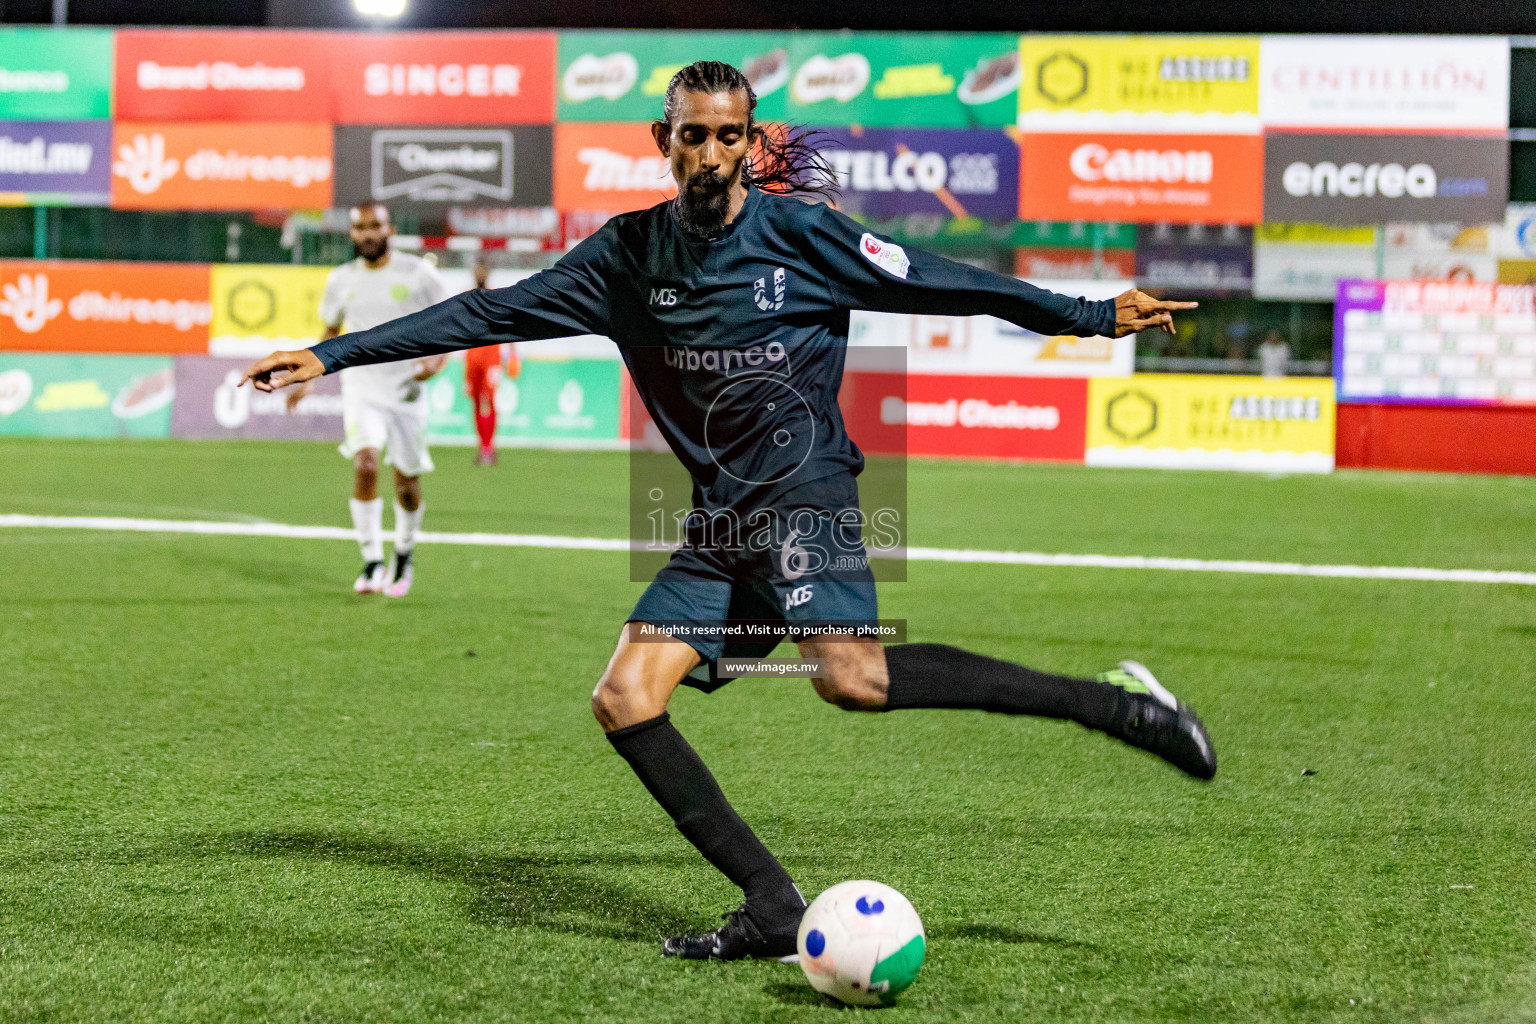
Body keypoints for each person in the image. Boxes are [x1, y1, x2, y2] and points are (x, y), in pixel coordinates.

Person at [243, 61, 1213, 962]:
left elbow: (945, 280)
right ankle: (772, 906)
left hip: (807, 494)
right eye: (693, 136)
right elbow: (487, 313)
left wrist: (1091, 315)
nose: (711, 153)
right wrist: (331, 355)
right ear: (660, 138)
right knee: (625, 697)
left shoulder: (805, 235)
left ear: (751, 142)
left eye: (729, 136)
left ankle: (1121, 705)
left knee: (853, 680)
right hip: (721, 521)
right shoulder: (625, 255)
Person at [287, 203, 448, 597]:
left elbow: (451, 319)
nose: (368, 233)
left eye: (375, 225)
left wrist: (435, 363)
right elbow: (329, 329)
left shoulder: (418, 273)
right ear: (352, 234)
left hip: (406, 390)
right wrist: (307, 378)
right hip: (361, 387)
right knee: (365, 463)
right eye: (360, 227)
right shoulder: (341, 279)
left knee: (407, 484)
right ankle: (373, 560)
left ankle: (404, 554)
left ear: (390, 229)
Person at [462, 257, 521, 466]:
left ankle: (488, 447)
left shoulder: (495, 297)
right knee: (477, 402)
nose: (480, 274)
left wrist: (513, 353)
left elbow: (508, 325)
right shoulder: (466, 298)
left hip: (491, 357)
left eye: (483, 270)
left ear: (487, 273)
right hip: (471, 357)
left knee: (488, 400)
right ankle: (483, 446)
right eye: (478, 270)